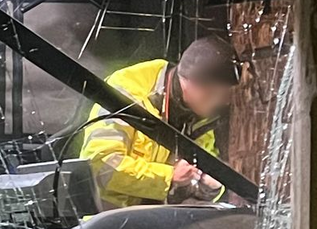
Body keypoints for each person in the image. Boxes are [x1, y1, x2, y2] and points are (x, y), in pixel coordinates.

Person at [82, 35, 242, 210]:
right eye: (221, 94)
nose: (225, 102)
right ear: (196, 86)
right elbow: (102, 167)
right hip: (106, 225)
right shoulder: (126, 94)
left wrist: (210, 187)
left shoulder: (200, 117)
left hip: (158, 223)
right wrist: (169, 176)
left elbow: (196, 188)